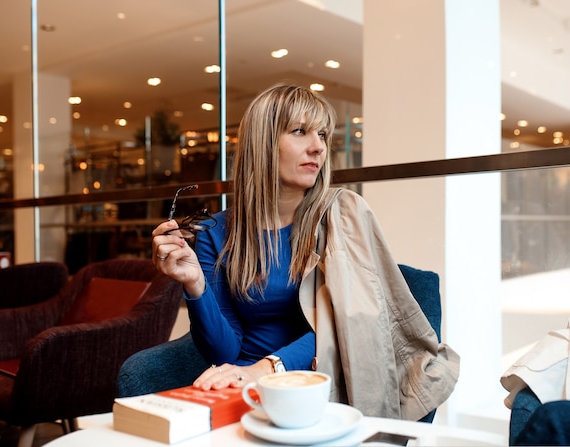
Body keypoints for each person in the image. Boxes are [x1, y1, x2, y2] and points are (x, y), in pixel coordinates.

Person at [117, 83, 459, 420]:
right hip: (243, 389)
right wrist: (194, 284)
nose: (318, 148)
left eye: (323, 135)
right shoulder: (216, 232)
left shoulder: (342, 216)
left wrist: (265, 368)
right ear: (263, 144)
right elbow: (224, 351)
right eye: (300, 132)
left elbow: (348, 326)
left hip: (318, 387)